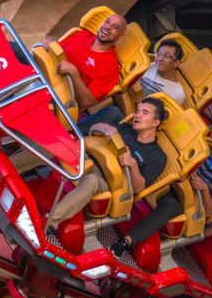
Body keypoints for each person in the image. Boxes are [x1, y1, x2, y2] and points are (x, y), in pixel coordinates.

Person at [109, 120, 212, 257]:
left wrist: (204, 189)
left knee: (171, 207)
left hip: (184, 202)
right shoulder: (205, 151)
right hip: (170, 182)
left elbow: (209, 211)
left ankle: (126, 241)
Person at [47, 97, 167, 230]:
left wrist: (132, 164)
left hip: (106, 180)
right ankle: (19, 166)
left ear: (155, 122)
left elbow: (139, 189)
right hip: (90, 159)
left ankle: (48, 223)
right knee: (61, 141)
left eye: (144, 113)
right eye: (137, 111)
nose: (137, 115)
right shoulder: (126, 129)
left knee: (91, 181)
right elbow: (94, 129)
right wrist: (106, 128)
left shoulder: (158, 156)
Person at [77, 39, 187, 135]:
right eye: (159, 54)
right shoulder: (151, 66)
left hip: (134, 120)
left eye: (167, 56)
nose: (160, 59)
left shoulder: (177, 93)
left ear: (176, 63)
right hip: (124, 99)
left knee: (113, 112)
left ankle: (74, 130)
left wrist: (146, 106)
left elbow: (161, 120)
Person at [44, 13, 127, 111]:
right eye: (107, 21)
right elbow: (58, 50)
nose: (108, 27)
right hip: (42, 75)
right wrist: (51, 44)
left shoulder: (110, 68)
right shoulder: (83, 35)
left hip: (55, 97)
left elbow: (87, 101)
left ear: (121, 36)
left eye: (115, 27)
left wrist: (74, 72)